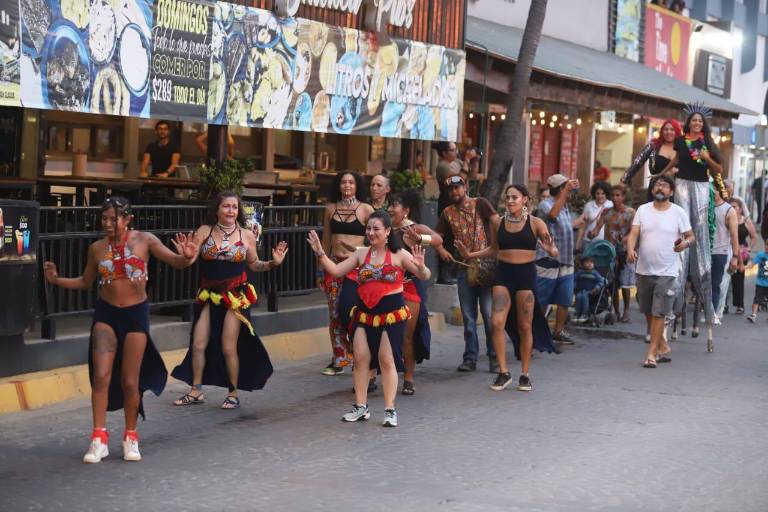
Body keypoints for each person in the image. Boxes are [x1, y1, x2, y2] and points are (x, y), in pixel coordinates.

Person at [42, 197, 199, 463]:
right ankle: (98, 439)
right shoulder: (96, 248)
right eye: (103, 219)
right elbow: (85, 281)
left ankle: (130, 436)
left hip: (136, 315)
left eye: (113, 219)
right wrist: (56, 280)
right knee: (101, 375)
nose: (107, 224)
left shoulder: (145, 241)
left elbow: (176, 261)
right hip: (106, 314)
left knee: (130, 381)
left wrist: (187, 257)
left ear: (128, 219)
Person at [307, 211, 431, 427]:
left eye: (376, 229)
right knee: (361, 358)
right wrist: (320, 253)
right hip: (365, 314)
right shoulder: (361, 253)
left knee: (386, 359)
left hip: (391, 315)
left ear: (387, 232)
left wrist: (420, 266)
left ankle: (390, 409)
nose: (371, 233)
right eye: (369, 229)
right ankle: (361, 407)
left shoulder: (400, 254)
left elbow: (424, 276)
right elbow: (336, 271)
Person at [171, 192, 287, 409]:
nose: (231, 210)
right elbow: (190, 259)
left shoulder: (247, 235)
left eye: (234, 207)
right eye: (226, 206)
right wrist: (185, 255)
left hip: (236, 296)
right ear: (217, 209)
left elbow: (254, 264)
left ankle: (233, 392)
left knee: (228, 345)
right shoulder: (205, 231)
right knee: (198, 344)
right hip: (209, 294)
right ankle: (196, 390)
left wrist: (272, 263)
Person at [455, 184, 559, 392]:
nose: (510, 201)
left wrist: (550, 250)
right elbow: (494, 249)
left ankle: (524, 374)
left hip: (526, 277)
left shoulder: (536, 223)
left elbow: (553, 249)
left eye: (515, 197)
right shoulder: (499, 223)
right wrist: (470, 255)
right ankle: (503, 372)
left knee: (525, 326)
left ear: (525, 200)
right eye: (508, 197)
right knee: (496, 322)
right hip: (503, 275)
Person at [660, 103, 727, 348]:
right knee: (681, 227)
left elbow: (719, 170)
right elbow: (675, 160)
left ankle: (707, 309)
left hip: (700, 187)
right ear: (688, 123)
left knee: (698, 232)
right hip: (681, 184)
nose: (697, 124)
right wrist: (661, 175)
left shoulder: (708, 143)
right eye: (694, 121)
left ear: (703, 124)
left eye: (700, 121)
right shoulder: (680, 141)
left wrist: (708, 157)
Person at [627, 175, 694, 367]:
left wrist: (684, 244)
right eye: (657, 185)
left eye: (665, 186)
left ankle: (651, 354)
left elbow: (691, 237)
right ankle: (662, 343)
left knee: (659, 313)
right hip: (644, 269)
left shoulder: (678, 212)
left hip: (668, 271)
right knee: (647, 310)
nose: (660, 188)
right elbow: (633, 233)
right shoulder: (643, 210)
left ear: (671, 192)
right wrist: (631, 249)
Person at [435, 175, 499, 372]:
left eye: (457, 188)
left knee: (489, 316)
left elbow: (497, 221)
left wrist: (497, 247)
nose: (454, 192)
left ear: (465, 187)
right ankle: (470, 358)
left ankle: (495, 357)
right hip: (464, 268)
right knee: (469, 317)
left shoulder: (481, 204)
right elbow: (438, 236)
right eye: (451, 190)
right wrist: (441, 250)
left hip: (487, 267)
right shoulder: (447, 213)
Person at [387, 189, 443, 395]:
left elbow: (438, 240)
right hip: (385, 287)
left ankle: (408, 378)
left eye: (395, 205)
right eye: (390, 205)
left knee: (406, 336)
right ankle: (375, 374)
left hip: (409, 286)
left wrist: (420, 239)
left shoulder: (414, 228)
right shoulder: (383, 228)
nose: (390, 209)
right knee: (380, 333)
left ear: (406, 210)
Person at [319, 171, 374, 376]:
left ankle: (357, 353)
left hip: (355, 268)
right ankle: (339, 358)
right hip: (333, 266)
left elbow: (376, 239)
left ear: (357, 185)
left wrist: (356, 252)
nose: (347, 185)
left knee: (348, 311)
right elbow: (325, 240)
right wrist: (320, 269)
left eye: (351, 182)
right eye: (343, 182)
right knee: (333, 313)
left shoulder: (366, 209)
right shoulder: (330, 208)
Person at [536, 174, 580, 344]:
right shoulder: (545, 204)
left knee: (565, 298)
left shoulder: (566, 206)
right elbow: (553, 215)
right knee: (542, 299)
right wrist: (565, 193)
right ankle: (537, 330)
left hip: (566, 259)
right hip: (548, 260)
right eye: (566, 187)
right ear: (561, 189)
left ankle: (558, 331)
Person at [588, 184, 636, 322]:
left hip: (626, 252)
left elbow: (634, 231)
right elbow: (597, 229)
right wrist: (592, 234)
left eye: (618, 195)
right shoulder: (606, 212)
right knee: (613, 283)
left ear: (623, 197)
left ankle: (626, 310)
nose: (615, 198)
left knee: (625, 283)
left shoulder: (630, 212)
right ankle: (615, 311)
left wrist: (625, 239)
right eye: (613, 195)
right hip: (609, 251)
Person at [621, 119, 682, 189]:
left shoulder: (683, 148)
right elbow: (637, 162)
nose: (668, 132)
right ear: (662, 131)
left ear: (677, 132)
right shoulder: (653, 146)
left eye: (672, 130)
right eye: (666, 129)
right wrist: (624, 179)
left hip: (678, 188)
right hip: (657, 186)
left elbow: (694, 164)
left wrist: (678, 171)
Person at [710, 189, 739, 317]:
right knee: (703, 286)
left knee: (716, 285)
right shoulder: (705, 207)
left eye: (715, 189)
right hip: (704, 252)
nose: (711, 192)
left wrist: (735, 257)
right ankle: (708, 310)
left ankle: (713, 314)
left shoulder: (729, 210)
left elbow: (734, 235)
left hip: (720, 252)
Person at [434, 141, 460, 284]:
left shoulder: (455, 163)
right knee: (447, 239)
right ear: (444, 153)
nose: (455, 153)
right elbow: (457, 180)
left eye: (456, 150)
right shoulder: (443, 166)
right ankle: (444, 274)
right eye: (452, 150)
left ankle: (450, 272)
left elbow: (470, 176)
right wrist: (466, 162)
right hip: (446, 205)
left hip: (455, 205)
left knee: (454, 239)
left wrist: (471, 163)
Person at [730, 197, 757, 314]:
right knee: (727, 278)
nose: (732, 208)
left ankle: (739, 305)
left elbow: (754, 237)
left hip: (743, 252)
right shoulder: (728, 220)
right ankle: (723, 305)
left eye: (734, 206)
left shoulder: (746, 221)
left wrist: (749, 248)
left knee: (739, 279)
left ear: (740, 209)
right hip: (729, 250)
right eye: (730, 206)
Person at [574, 181, 612, 249]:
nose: (600, 196)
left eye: (603, 193)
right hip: (589, 241)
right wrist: (578, 243)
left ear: (607, 194)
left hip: (605, 242)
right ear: (594, 194)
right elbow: (582, 226)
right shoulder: (589, 205)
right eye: (597, 193)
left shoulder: (611, 205)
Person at [573, 257, 606, 323]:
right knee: (578, 297)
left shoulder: (595, 273)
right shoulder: (580, 272)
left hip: (591, 291)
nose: (589, 264)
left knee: (584, 297)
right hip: (580, 290)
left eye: (591, 262)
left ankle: (584, 314)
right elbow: (574, 279)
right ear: (583, 264)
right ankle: (578, 313)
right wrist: (573, 286)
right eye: (587, 262)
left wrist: (597, 288)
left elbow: (601, 281)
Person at [746, 242, 768, 323]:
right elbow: (751, 265)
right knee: (756, 299)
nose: (767, 247)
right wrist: (744, 267)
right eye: (766, 245)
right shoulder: (760, 255)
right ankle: (753, 315)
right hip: (760, 283)